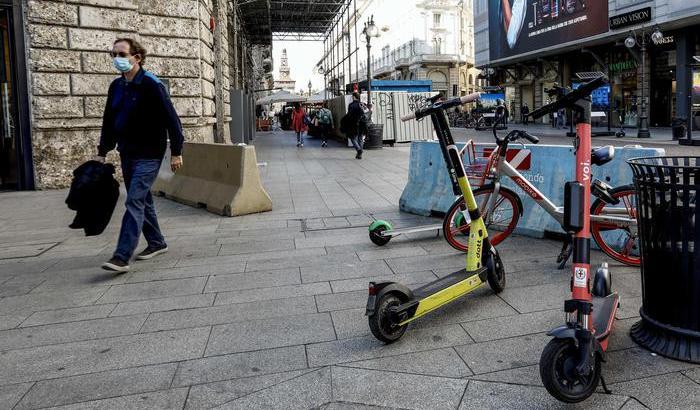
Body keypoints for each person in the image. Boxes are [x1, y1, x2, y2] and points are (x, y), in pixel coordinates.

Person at [95, 38, 184, 273]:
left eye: (122, 54)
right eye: (114, 54)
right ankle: (156, 242)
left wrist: (176, 151)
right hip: (127, 152)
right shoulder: (116, 87)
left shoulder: (152, 85)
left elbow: (172, 120)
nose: (117, 59)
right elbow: (109, 121)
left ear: (137, 57)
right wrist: (102, 152)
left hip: (150, 154)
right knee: (143, 199)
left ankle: (121, 256)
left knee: (133, 199)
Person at [346, 92, 365, 159]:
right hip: (362, 123)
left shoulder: (351, 105)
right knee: (360, 138)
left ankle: (358, 149)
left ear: (354, 97)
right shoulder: (362, 104)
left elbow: (349, 115)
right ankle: (359, 155)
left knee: (352, 138)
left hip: (354, 124)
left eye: (352, 96)